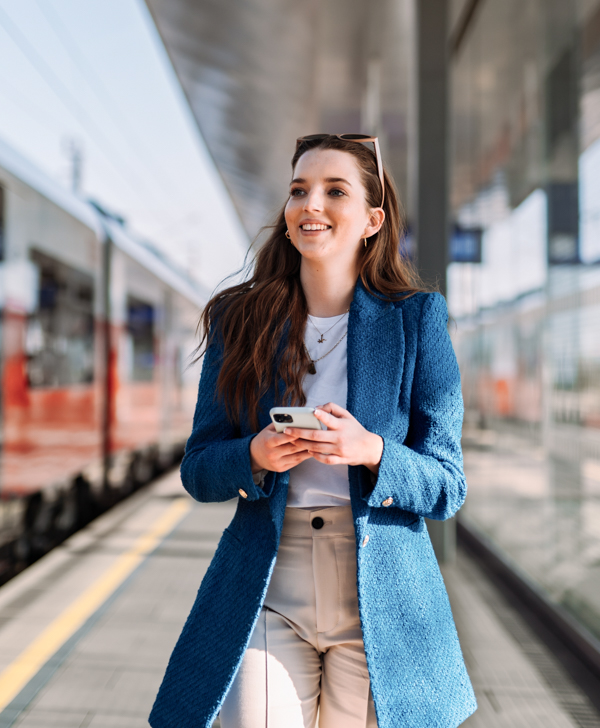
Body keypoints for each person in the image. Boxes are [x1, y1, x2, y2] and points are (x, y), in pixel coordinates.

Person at [149, 134, 477, 728]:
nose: (310, 205)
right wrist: (252, 454)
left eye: (334, 191)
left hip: (381, 596)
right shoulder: (240, 320)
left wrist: (372, 451)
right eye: (299, 190)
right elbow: (199, 467)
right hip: (270, 584)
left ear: (372, 220)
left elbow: (448, 485)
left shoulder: (416, 321)